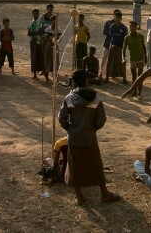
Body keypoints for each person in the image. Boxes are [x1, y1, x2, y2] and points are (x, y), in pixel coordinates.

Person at [57, 69, 120, 205]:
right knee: (96, 165)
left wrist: (69, 128)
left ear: (74, 82)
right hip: (90, 137)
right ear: (86, 81)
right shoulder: (96, 98)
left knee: (74, 167)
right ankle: (104, 193)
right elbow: (101, 120)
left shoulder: (69, 99)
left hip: (74, 138)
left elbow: (61, 117)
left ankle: (79, 197)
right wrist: (93, 128)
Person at [124, 21, 147, 98]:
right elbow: (123, 49)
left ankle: (139, 93)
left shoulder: (141, 36)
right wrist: (123, 58)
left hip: (141, 58)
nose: (131, 28)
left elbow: (144, 47)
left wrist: (146, 57)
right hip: (132, 59)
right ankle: (134, 92)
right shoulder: (127, 37)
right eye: (130, 26)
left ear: (136, 27)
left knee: (140, 76)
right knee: (134, 76)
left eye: (133, 26)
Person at [105, 10, 128, 83]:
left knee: (121, 62)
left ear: (121, 18)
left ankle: (124, 78)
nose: (117, 19)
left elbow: (125, 38)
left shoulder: (124, 27)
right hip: (113, 46)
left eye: (118, 17)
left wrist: (122, 47)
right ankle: (107, 77)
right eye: (116, 17)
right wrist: (112, 45)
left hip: (120, 46)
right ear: (114, 18)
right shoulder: (112, 26)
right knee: (110, 61)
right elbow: (110, 36)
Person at [28, 9, 46, 80]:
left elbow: (40, 32)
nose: (35, 15)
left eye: (37, 13)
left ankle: (43, 72)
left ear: (38, 14)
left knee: (41, 56)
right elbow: (28, 33)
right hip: (33, 42)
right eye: (34, 13)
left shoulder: (40, 22)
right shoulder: (30, 23)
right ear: (32, 14)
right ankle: (34, 73)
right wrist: (35, 33)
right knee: (33, 57)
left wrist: (33, 33)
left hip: (39, 41)